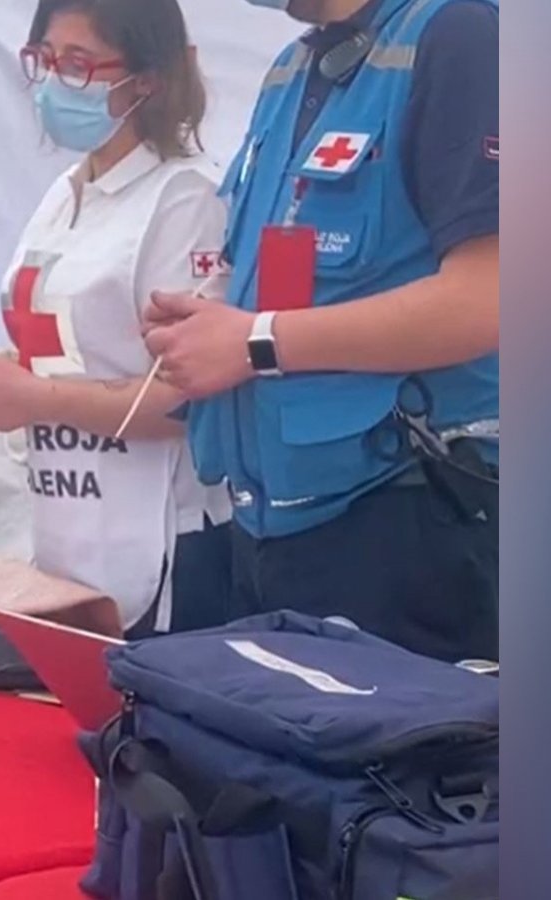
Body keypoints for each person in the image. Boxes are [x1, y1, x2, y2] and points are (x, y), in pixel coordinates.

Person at [141, 0, 499, 662]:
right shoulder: (292, 70)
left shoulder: (464, 37)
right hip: (271, 521)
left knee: (399, 763)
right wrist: (207, 318)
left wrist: (253, 343)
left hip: (408, 522)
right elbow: (278, 268)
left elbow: (489, 300)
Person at [0, 0, 233, 637]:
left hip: (165, 548)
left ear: (148, 79)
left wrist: (36, 399)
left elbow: (189, 402)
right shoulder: (64, 194)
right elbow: (55, 352)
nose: (56, 83)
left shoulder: (187, 199)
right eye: (45, 61)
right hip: (65, 530)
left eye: (78, 65)